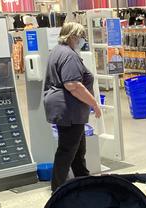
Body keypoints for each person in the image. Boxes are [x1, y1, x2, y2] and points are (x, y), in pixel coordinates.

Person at [43, 22, 102, 192]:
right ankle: (58, 189)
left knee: (77, 151)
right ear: (73, 36)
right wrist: (94, 104)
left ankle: (85, 183)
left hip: (68, 110)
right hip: (69, 110)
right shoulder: (69, 55)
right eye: (82, 36)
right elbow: (73, 85)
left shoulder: (57, 51)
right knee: (67, 151)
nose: (83, 40)